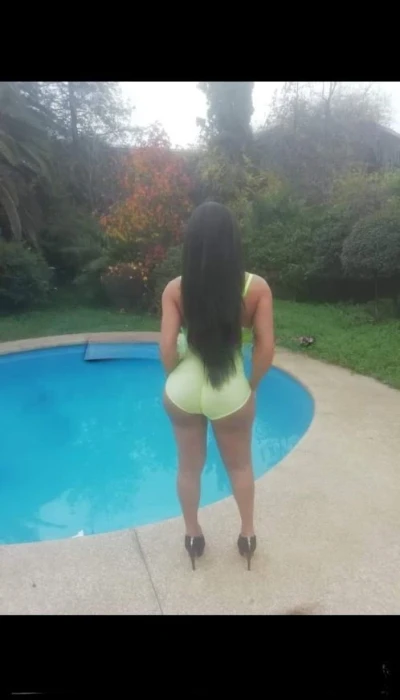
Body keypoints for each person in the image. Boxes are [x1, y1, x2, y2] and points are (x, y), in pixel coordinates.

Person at [160, 202, 274, 570]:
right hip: (230, 387)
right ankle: (247, 535)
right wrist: (251, 386)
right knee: (239, 467)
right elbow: (265, 348)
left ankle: (193, 536)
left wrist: (175, 375)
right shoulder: (256, 288)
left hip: (183, 387)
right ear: (233, 241)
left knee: (188, 468)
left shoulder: (176, 289)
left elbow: (166, 348)